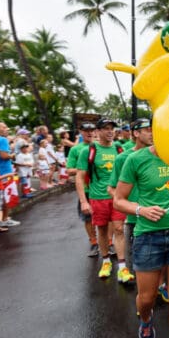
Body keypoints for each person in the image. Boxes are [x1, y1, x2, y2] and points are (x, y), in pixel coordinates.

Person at [113, 116, 169, 338]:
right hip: (148, 236)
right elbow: (119, 200)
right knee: (147, 297)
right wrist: (141, 210)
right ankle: (146, 321)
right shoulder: (136, 160)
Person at [76, 118, 126, 279]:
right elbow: (79, 177)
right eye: (106, 128)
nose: (110, 131)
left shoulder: (119, 149)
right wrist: (84, 201)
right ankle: (105, 261)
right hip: (98, 197)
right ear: (98, 131)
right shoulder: (89, 150)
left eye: (112, 128)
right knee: (102, 230)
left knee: (119, 229)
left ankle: (122, 266)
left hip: (117, 197)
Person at [108, 118, 154, 286]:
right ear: (136, 133)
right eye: (147, 129)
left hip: (157, 218)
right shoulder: (123, 158)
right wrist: (128, 207)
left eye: (153, 128)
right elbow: (111, 188)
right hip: (135, 219)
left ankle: (160, 288)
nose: (152, 132)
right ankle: (144, 305)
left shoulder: (160, 154)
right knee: (141, 264)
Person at [67, 122, 98, 257]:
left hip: (101, 190)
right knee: (88, 218)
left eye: (91, 130)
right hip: (86, 189)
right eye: (86, 130)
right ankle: (93, 242)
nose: (89, 133)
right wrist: (84, 169)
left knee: (107, 218)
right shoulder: (76, 149)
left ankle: (109, 243)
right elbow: (69, 170)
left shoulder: (101, 146)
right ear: (80, 132)